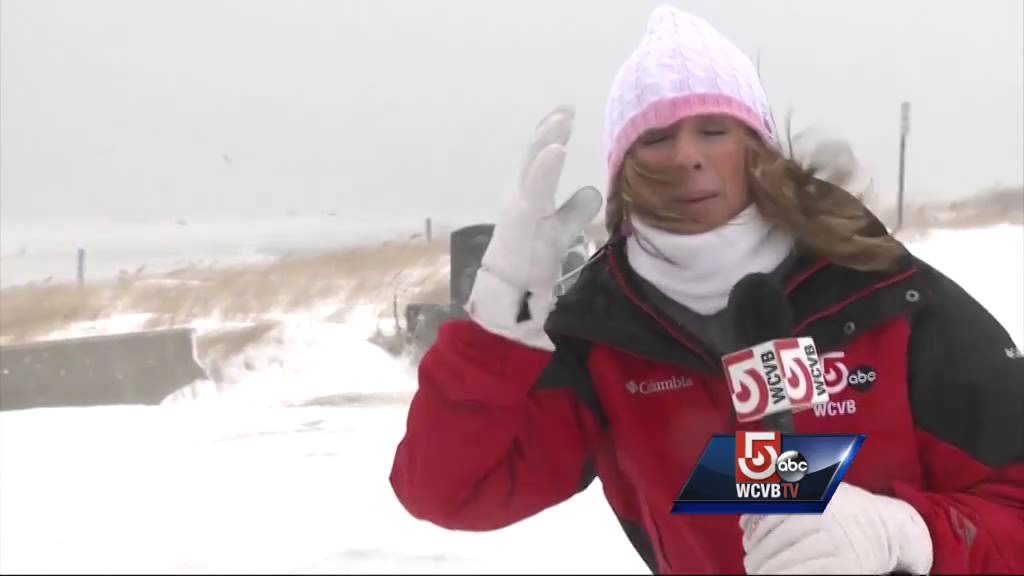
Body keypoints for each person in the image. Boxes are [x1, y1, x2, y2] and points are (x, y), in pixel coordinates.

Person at [389, 5, 1024, 574]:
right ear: (624, 170)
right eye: (657, 137)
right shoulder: (599, 336)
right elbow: (447, 490)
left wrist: (904, 536)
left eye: (714, 131)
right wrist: (499, 320)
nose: (687, 156)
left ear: (756, 149)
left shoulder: (886, 296)